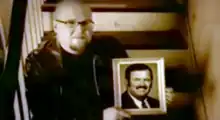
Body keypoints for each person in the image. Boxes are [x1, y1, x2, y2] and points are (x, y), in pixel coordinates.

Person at [24, 1, 174, 120]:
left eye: (85, 23)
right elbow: (46, 115)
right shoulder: (39, 62)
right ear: (56, 27)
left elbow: (126, 89)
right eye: (70, 22)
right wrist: (100, 117)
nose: (79, 30)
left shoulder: (110, 47)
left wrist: (159, 96)